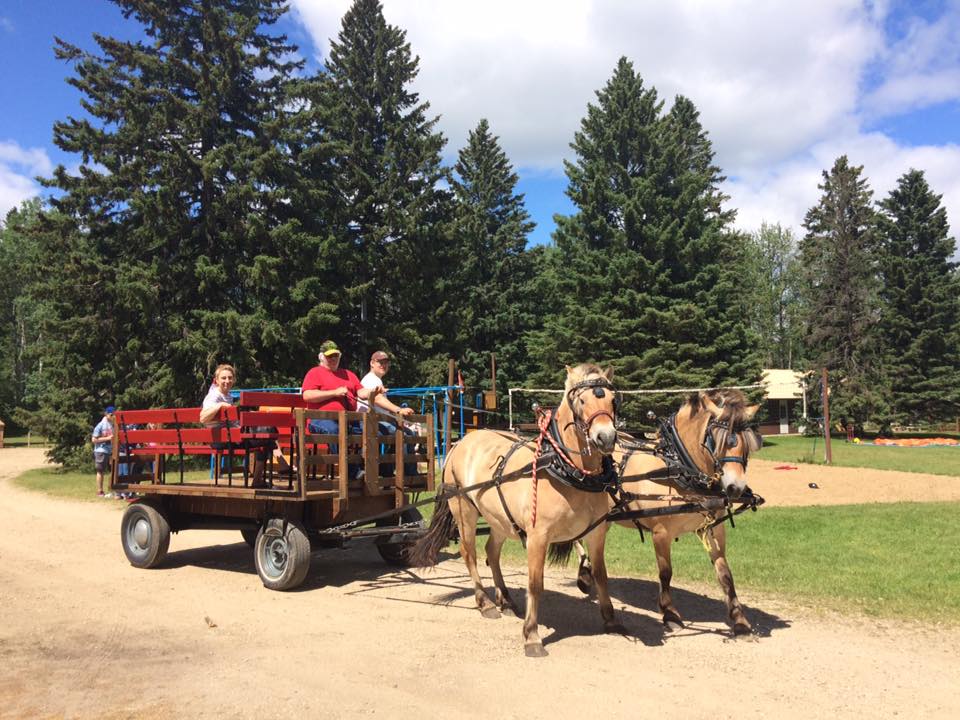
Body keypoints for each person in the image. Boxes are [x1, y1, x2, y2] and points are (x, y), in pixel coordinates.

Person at [301, 340, 398, 479]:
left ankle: (381, 472)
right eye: (330, 356)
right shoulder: (314, 373)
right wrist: (334, 393)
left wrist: (373, 392)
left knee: (376, 430)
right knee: (336, 431)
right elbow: (307, 395)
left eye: (336, 356)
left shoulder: (348, 374)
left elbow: (361, 392)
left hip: (348, 420)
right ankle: (352, 472)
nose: (333, 359)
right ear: (321, 357)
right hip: (320, 419)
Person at [200, 364, 289, 488]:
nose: (227, 381)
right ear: (217, 379)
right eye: (224, 378)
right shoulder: (214, 396)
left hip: (229, 437)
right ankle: (262, 478)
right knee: (267, 437)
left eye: (230, 378)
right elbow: (203, 417)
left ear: (234, 379)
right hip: (221, 439)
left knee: (267, 435)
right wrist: (220, 406)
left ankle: (275, 469)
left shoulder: (228, 396)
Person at [358, 350, 418, 476]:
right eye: (379, 362)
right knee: (405, 435)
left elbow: (381, 404)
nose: (383, 365)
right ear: (372, 363)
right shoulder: (371, 380)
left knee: (406, 432)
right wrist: (398, 410)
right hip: (369, 423)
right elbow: (378, 399)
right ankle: (409, 474)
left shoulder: (376, 380)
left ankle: (387, 471)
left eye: (385, 363)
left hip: (375, 421)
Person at [92, 406, 115, 497]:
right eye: (111, 415)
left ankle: (113, 489)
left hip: (110, 450)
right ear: (106, 414)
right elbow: (94, 439)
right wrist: (107, 438)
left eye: (114, 415)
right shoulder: (100, 425)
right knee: (100, 471)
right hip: (101, 450)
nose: (113, 416)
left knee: (113, 470)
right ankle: (100, 491)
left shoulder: (113, 424)